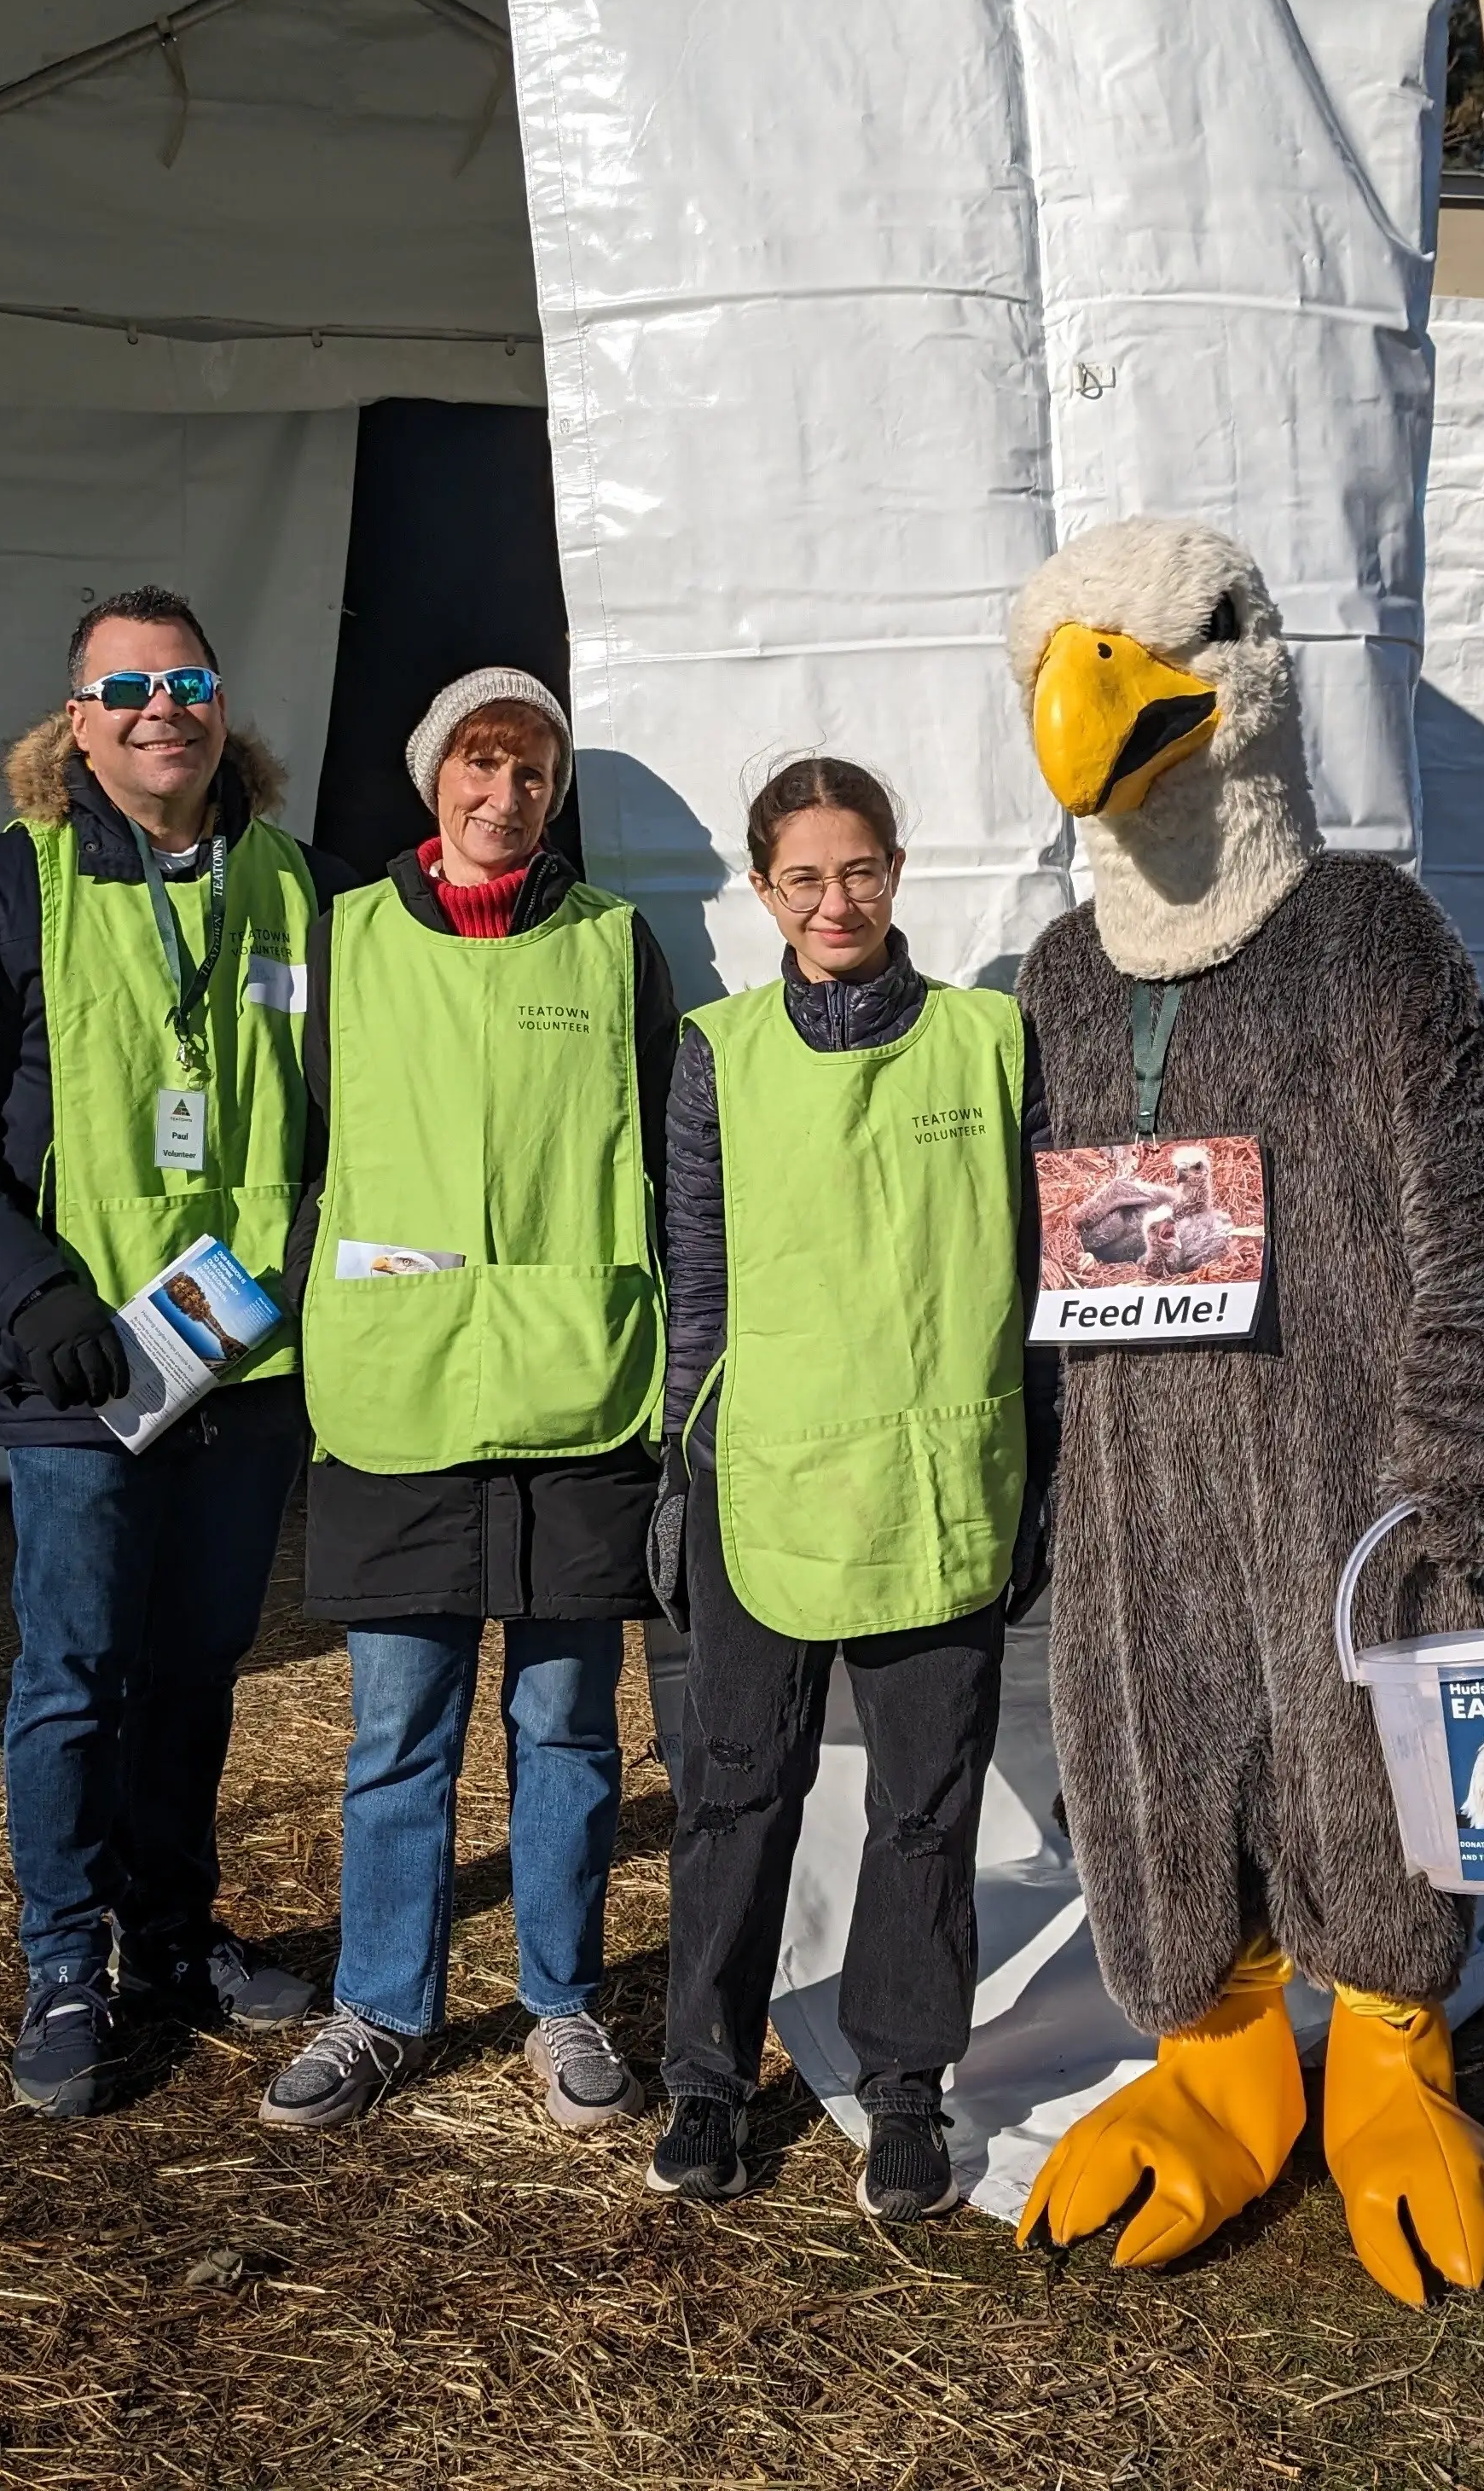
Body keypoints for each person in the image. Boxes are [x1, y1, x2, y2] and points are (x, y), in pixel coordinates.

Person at [0, 584, 345, 2120]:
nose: (162, 708)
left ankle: (172, 1937)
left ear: (223, 707)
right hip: (83, 1369)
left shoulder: (306, 894)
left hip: (245, 1368)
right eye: (126, 686)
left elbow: (356, 1114)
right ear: (75, 721)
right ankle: (65, 1963)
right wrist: (32, 1291)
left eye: (188, 680)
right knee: (75, 1678)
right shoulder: (2, 893)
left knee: (199, 1673)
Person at [264, 671, 679, 2134]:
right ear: (433, 773)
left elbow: (668, 1166)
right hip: (404, 1390)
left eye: (536, 775)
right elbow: (304, 1147)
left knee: (568, 1726)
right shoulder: (349, 935)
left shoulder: (617, 949)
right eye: (482, 765)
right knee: (399, 1735)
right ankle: (382, 2006)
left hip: (578, 1391)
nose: (507, 797)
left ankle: (561, 2000)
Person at [647, 758, 1049, 2223]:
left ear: (897, 870)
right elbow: (701, 1281)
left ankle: (903, 2085)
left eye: (860, 870)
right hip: (768, 1480)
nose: (835, 901)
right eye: (803, 878)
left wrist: (1042, 1464)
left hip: (942, 1480)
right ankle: (705, 2075)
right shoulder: (717, 1052)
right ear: (763, 890)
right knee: (737, 1790)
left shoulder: (991, 1042)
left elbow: (1047, 1273)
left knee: (926, 1808)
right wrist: (686, 1470)